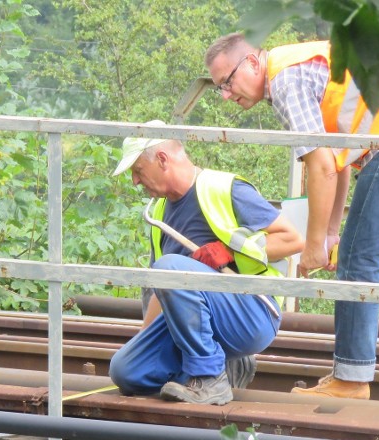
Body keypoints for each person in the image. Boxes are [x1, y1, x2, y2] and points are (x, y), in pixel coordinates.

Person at [204, 34, 379, 398]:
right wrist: (330, 233)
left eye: (227, 82)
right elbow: (336, 162)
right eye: (220, 89)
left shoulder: (286, 79)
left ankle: (352, 380)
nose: (227, 95)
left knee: (358, 260)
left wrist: (313, 246)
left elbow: (321, 165)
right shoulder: (297, 68)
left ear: (253, 64)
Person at [109, 122, 304, 404]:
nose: (135, 182)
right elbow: (161, 290)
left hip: (251, 312)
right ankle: (212, 368)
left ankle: (210, 377)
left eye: (138, 171)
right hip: (197, 314)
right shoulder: (160, 214)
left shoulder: (223, 188)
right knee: (126, 370)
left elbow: (293, 240)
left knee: (171, 268)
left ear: (162, 160)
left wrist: (230, 252)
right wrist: (142, 343)